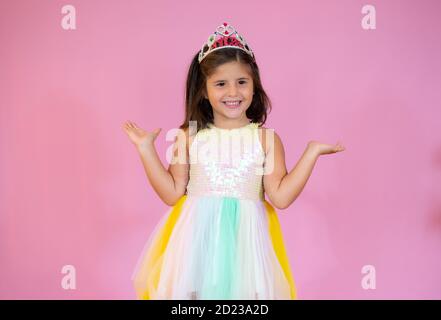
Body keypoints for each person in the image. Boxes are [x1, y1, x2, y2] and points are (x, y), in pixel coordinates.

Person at [123, 22, 345, 300]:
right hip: (195, 248)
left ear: (254, 85)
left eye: (242, 82)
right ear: (204, 90)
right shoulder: (188, 137)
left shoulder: (266, 140)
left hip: (246, 252)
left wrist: (311, 153)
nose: (233, 92)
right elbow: (171, 193)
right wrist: (146, 149)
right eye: (220, 84)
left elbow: (281, 197)